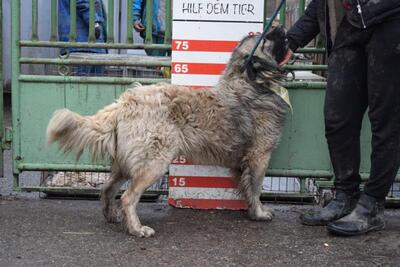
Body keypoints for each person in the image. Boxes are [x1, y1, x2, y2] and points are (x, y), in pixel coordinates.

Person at [280, 0, 400, 236]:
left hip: (391, 20)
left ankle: (372, 204)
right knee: (338, 116)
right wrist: (291, 41)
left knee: (386, 121)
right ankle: (345, 195)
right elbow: (321, 4)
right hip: (350, 23)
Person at [58, 0, 107, 76]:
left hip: (80, 42)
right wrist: (94, 22)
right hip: (85, 43)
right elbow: (83, 2)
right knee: (88, 83)